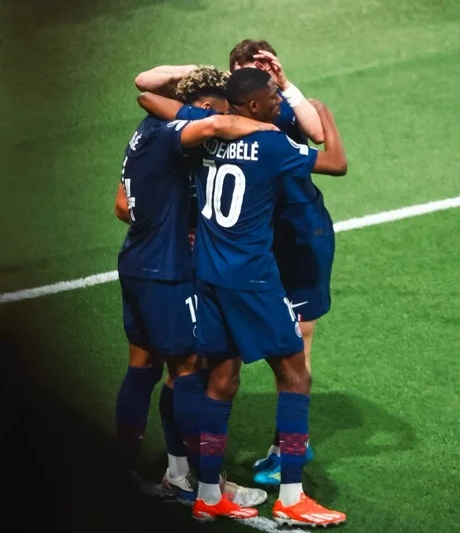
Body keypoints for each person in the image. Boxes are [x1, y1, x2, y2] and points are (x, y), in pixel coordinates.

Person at [185, 67, 347, 526]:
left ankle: (209, 493)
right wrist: (326, 117)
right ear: (253, 106)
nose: (279, 104)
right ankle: (293, 497)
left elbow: (153, 99)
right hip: (253, 279)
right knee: (295, 376)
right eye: (273, 99)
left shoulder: (202, 134)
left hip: (209, 276)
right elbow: (335, 163)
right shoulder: (272, 143)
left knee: (222, 380)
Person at [113, 67, 269, 516]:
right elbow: (212, 123)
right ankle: (208, 492)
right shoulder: (176, 132)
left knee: (141, 369)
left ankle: (143, 474)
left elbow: (122, 205)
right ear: (200, 111)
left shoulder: (145, 131)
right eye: (215, 115)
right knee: (189, 372)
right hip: (168, 273)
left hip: (136, 263)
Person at [229, 39, 334, 485]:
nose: (261, 75)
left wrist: (287, 84)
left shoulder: (278, 107)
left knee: (298, 347)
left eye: (263, 68)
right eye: (247, 68)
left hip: (301, 235)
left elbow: (319, 134)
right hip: (259, 242)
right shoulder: (228, 115)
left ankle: (289, 444)